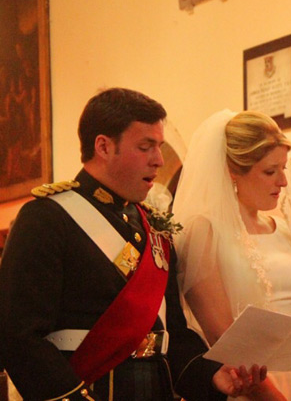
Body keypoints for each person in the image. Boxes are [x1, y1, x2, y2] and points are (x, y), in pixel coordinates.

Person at [0, 88, 265, 400]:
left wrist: (211, 376)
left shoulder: (152, 226)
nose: (158, 160)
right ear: (103, 146)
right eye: (145, 147)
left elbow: (173, 334)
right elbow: (18, 335)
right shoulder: (48, 218)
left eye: (159, 146)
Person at [172, 110, 291, 401]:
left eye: (284, 169)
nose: (284, 182)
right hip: (250, 389)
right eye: (270, 171)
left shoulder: (284, 229)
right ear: (233, 170)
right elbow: (224, 338)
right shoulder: (205, 231)